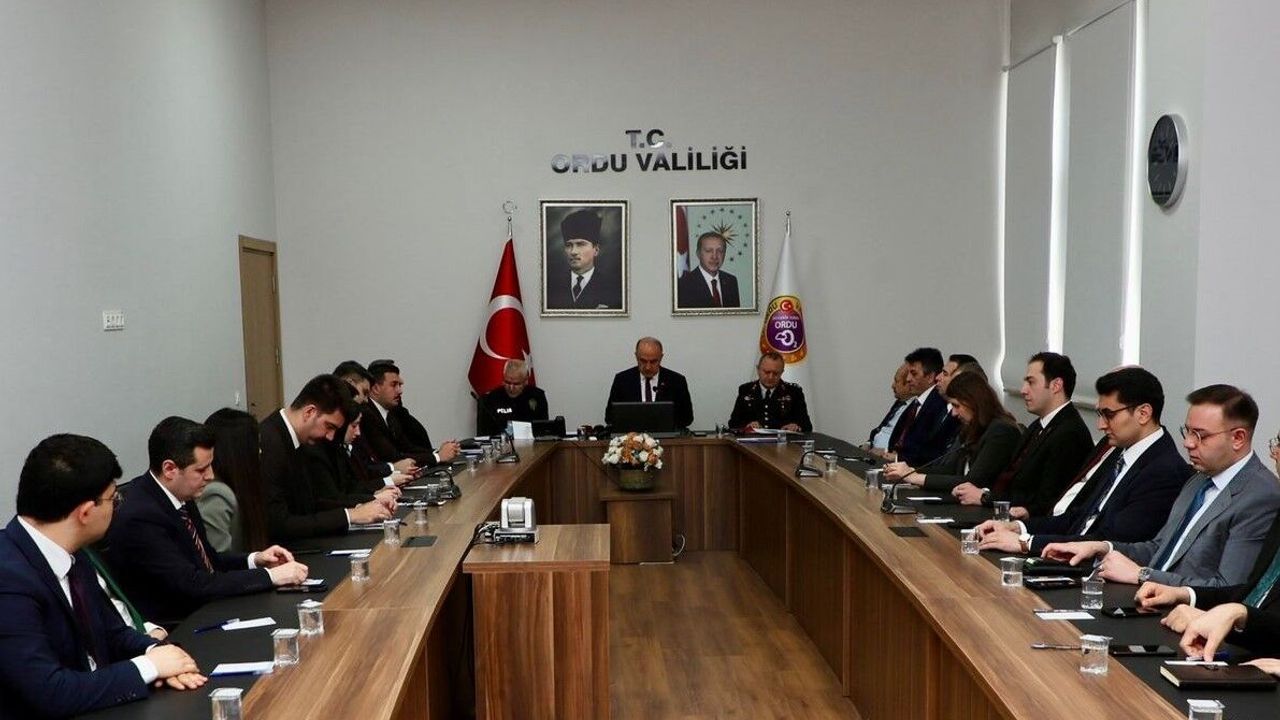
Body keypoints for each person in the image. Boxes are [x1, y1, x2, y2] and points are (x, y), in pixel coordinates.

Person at [0, 434, 206, 718]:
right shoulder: (8, 577)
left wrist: (161, 654)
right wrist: (149, 667)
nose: (116, 506)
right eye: (113, 498)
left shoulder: (74, 552)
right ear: (85, 512)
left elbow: (112, 632)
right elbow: (50, 691)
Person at [1042, 384, 1280, 587]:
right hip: (1144, 600)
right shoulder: (1198, 480)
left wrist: (1142, 575)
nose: (1188, 443)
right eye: (1187, 432)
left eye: (1200, 435)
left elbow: (1227, 587)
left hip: (1187, 617)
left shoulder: (1260, 496)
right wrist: (1102, 548)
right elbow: (1159, 549)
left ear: (1238, 438)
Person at [104, 417, 310, 626]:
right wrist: (270, 576)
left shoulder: (181, 495)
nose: (210, 476)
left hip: (205, 609)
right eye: (201, 470)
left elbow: (209, 561)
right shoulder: (141, 516)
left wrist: (256, 559)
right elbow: (191, 583)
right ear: (169, 469)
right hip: (180, 625)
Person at [975, 367, 1192, 554]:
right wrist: (1019, 528)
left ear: (1143, 413)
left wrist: (1026, 543)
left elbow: (1112, 541)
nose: (1101, 425)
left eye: (1109, 415)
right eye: (1100, 414)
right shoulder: (1120, 452)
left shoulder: (1164, 471)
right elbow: (1077, 519)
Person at [951, 352, 1093, 515]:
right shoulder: (1039, 425)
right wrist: (982, 493)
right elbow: (1011, 480)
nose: (1023, 390)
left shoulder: (1069, 433)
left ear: (1056, 385)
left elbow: (1045, 501)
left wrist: (985, 497)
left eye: (1031, 382)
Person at [260, 374, 395, 541]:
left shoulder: (294, 438)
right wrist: (350, 515)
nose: (330, 437)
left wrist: (361, 507)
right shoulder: (270, 443)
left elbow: (312, 503)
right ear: (309, 412)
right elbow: (279, 523)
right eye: (329, 426)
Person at [883, 371, 1020, 492]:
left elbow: (973, 482)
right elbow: (950, 470)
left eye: (956, 405)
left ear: (973, 402)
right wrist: (911, 471)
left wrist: (915, 477)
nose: (953, 413)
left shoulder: (1001, 431)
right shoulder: (971, 428)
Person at [361, 359, 461, 467]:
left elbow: (408, 448)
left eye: (400, 385)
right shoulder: (366, 415)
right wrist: (438, 457)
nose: (400, 391)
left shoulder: (392, 414)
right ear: (375, 388)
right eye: (394, 385)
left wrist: (437, 453)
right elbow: (392, 457)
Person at [196, 408, 269, 553]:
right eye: (256, 445)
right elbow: (218, 560)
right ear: (240, 450)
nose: (260, 451)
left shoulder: (233, 490)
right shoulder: (217, 494)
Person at [334, 361, 418, 485]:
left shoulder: (393, 415)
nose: (366, 400)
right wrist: (391, 474)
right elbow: (356, 480)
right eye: (364, 392)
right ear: (350, 384)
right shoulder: (333, 436)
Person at [887, 347, 959, 466]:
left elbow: (929, 449)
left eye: (914, 374)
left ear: (930, 377)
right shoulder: (917, 401)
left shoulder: (939, 403)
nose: (908, 379)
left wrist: (898, 458)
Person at [604, 336, 694, 429]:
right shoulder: (622, 380)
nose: (648, 367)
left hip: (667, 435)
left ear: (661, 357)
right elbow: (610, 418)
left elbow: (687, 419)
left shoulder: (676, 381)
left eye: (653, 361)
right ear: (636, 357)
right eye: (643, 361)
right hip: (632, 436)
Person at [545, 208, 622, 310]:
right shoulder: (552, 287)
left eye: (581, 244)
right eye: (568, 245)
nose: (573, 251)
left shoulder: (612, 288)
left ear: (596, 250)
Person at [727, 351, 812, 432]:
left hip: (784, 441)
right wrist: (747, 426)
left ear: (782, 372)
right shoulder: (746, 390)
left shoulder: (794, 392)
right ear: (758, 369)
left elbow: (807, 426)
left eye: (775, 373)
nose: (771, 377)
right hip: (753, 441)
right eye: (767, 372)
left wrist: (796, 426)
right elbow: (733, 423)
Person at [476, 359, 550, 436]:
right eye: (507, 382)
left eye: (516, 384)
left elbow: (543, 430)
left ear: (525, 381)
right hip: (500, 442)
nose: (511, 388)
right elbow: (484, 434)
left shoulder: (537, 396)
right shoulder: (492, 398)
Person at [676, 231, 741, 308]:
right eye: (708, 251)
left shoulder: (731, 281)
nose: (714, 256)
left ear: (724, 254)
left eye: (720, 251)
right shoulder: (683, 285)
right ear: (698, 254)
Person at [867, 363, 912, 457]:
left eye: (896, 381)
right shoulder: (899, 403)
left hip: (886, 457)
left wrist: (886, 451)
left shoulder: (915, 410)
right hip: (872, 451)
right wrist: (868, 444)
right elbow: (881, 429)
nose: (892, 385)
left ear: (909, 384)